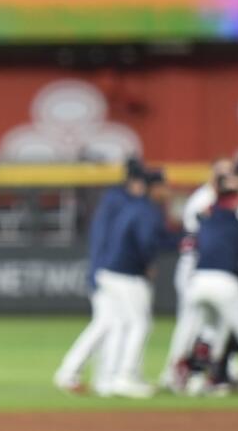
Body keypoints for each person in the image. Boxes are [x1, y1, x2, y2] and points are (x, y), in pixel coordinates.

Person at [55, 161, 170, 398]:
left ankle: (103, 378)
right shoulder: (119, 201)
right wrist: (98, 271)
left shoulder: (123, 200)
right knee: (110, 323)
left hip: (109, 269)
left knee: (113, 324)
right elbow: (102, 238)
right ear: (136, 182)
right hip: (111, 271)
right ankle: (82, 374)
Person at [175, 169, 238, 394]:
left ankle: (196, 379)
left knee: (208, 330)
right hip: (225, 282)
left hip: (197, 282)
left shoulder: (205, 222)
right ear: (236, 199)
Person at [161, 158, 228, 389]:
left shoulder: (218, 199)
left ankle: (197, 371)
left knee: (206, 324)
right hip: (193, 266)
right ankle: (172, 373)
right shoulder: (204, 199)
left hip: (203, 267)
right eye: (223, 173)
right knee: (190, 322)